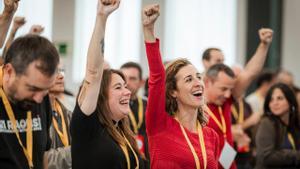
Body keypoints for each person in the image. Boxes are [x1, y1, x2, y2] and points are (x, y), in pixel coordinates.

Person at [143, 4, 219, 169]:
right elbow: (157, 77)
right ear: (172, 91)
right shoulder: (160, 125)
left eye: (198, 77)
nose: (198, 82)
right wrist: (149, 29)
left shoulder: (210, 135)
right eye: (189, 79)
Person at [70, 0, 144, 168]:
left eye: (125, 87)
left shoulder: (122, 131)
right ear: (100, 97)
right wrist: (102, 17)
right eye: (118, 87)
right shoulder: (88, 126)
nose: (127, 92)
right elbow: (94, 72)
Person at [204, 27, 273, 169]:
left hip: (228, 162)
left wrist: (263, 45)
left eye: (230, 89)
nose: (228, 95)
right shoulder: (192, 104)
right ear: (208, 83)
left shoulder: (225, 100)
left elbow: (249, 73)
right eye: (223, 89)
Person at [0, 33, 60, 169]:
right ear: (9, 72)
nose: (39, 99)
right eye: (32, 88)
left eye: (46, 89)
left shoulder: (41, 98)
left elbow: (42, 153)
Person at [255, 83, 300, 169]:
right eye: (271, 100)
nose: (275, 103)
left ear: (290, 102)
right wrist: (296, 155)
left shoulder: (294, 123)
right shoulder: (267, 123)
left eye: (280, 98)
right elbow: (267, 157)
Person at [120, 62, 149, 164]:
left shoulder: (149, 105)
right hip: (123, 159)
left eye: (132, 78)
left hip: (147, 159)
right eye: (123, 78)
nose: (126, 83)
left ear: (141, 82)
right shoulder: (112, 108)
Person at [47, 64, 72, 169]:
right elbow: (40, 159)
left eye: (61, 70)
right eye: (54, 71)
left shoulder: (68, 113)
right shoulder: (34, 115)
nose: (61, 76)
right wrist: (79, 151)